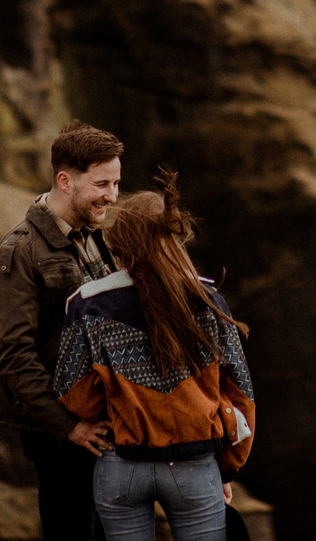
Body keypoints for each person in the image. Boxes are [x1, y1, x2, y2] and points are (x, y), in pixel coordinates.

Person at [52, 172, 255, 541]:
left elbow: (72, 391)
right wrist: (225, 470)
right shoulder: (209, 302)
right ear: (174, 237)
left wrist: (121, 408)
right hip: (195, 467)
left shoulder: (89, 304)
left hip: (120, 465)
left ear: (119, 243)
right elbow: (241, 394)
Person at [0, 120, 125, 541]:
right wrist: (68, 427)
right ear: (65, 180)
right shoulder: (18, 250)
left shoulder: (94, 237)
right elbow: (12, 355)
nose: (111, 196)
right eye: (101, 184)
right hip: (60, 434)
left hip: (100, 420)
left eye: (116, 183)